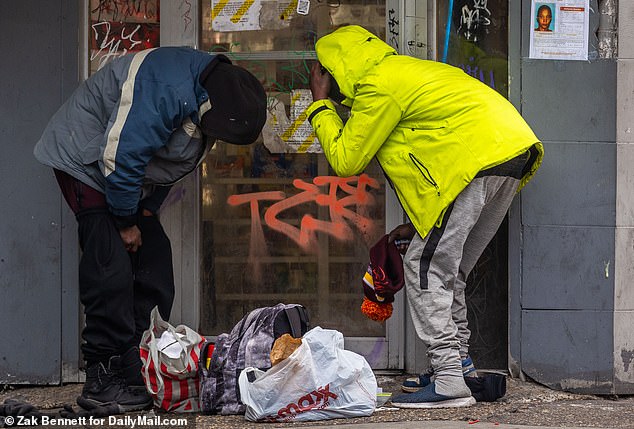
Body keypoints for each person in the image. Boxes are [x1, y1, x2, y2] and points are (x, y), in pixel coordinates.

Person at [308, 25, 543, 408]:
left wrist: (320, 104)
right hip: (508, 153)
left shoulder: (378, 85)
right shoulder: (405, 72)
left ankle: (449, 378)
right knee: (449, 270)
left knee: (424, 266)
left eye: (321, 73)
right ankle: (461, 367)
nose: (319, 79)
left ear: (335, 70)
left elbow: (346, 159)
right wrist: (421, 224)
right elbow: (430, 146)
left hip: (472, 163)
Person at [34, 47, 267, 412]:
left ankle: (137, 360)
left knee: (154, 260)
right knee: (108, 265)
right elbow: (122, 154)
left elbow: (163, 166)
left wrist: (143, 213)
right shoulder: (167, 87)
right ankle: (102, 376)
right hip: (85, 159)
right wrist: (126, 222)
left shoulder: (217, 92)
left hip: (124, 174)